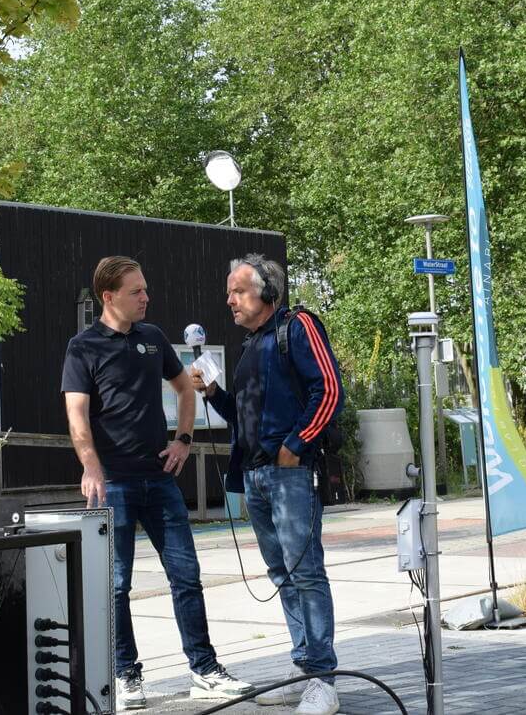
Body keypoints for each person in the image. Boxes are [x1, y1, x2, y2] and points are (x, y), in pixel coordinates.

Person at [61, 256, 252, 711]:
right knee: (116, 585)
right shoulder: (83, 347)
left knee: (187, 577)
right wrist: (91, 467)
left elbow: (186, 388)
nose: (146, 297)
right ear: (109, 297)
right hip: (114, 486)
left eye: (145, 289)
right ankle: (126, 676)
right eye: (136, 291)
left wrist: (183, 440)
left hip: (160, 480)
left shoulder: (152, 339)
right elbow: (77, 415)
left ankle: (204, 670)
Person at [191, 254, 344, 715]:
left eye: (238, 291)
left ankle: (323, 677)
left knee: (306, 572)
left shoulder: (297, 327)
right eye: (229, 292)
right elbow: (241, 415)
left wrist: (295, 445)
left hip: (289, 473)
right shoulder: (251, 344)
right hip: (256, 477)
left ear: (267, 293)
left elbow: (330, 389)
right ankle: (304, 669)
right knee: (282, 574)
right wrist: (213, 395)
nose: (229, 300)